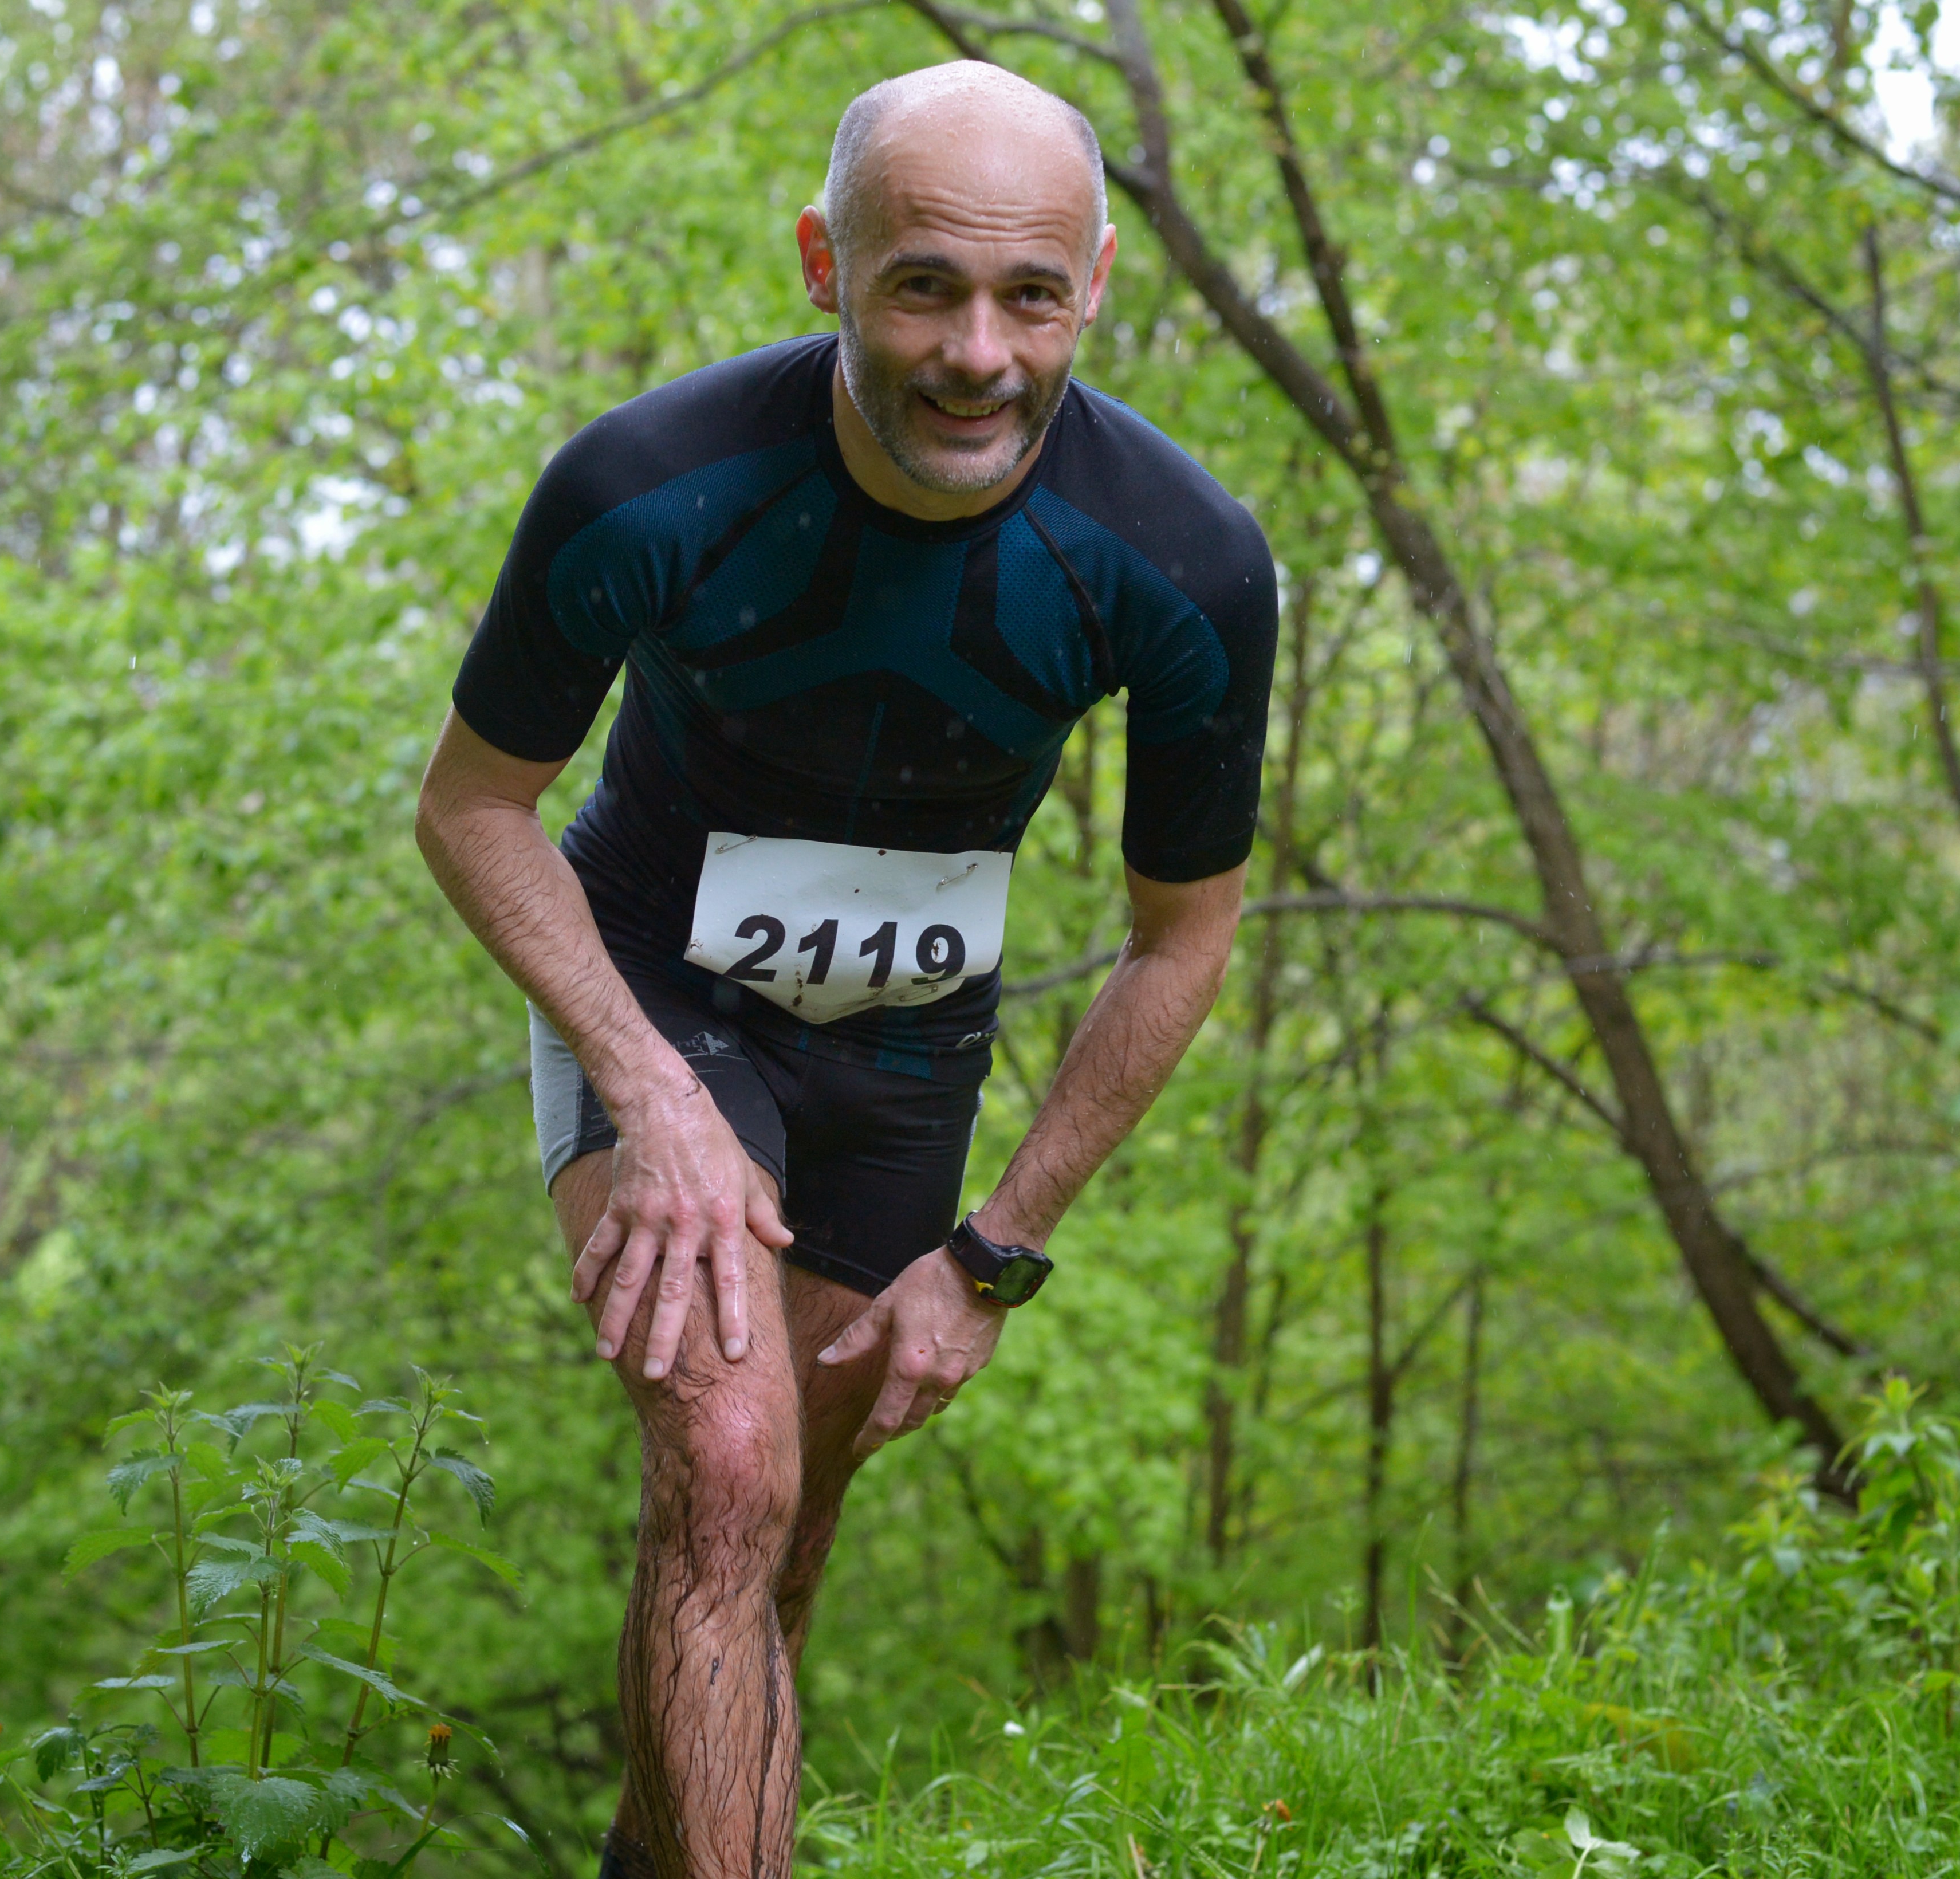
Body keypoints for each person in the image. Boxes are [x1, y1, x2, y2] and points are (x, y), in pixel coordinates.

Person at [415, 58, 1277, 1879]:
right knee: (729, 1469)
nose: (979, 353)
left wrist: (998, 1252)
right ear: (825, 264)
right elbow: (475, 807)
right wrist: (648, 1090)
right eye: (923, 288)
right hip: (660, 992)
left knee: (773, 1540)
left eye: (1030, 297)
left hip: (905, 1052)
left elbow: (1184, 936)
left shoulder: (1185, 561)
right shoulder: (649, 485)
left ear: (1096, 284)